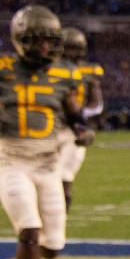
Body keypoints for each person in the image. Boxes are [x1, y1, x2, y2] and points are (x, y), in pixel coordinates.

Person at [1, 5, 94, 259]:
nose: (45, 47)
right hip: (11, 162)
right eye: (37, 40)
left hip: (48, 165)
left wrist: (82, 128)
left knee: (52, 248)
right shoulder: (4, 69)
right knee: (28, 230)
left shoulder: (64, 72)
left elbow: (73, 113)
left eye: (49, 41)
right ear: (21, 38)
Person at [56, 27, 103, 211]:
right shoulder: (49, 70)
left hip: (74, 129)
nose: (70, 53)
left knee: (65, 174)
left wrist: (78, 115)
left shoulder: (89, 72)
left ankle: (62, 210)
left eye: (74, 48)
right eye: (67, 48)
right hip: (51, 128)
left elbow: (97, 105)